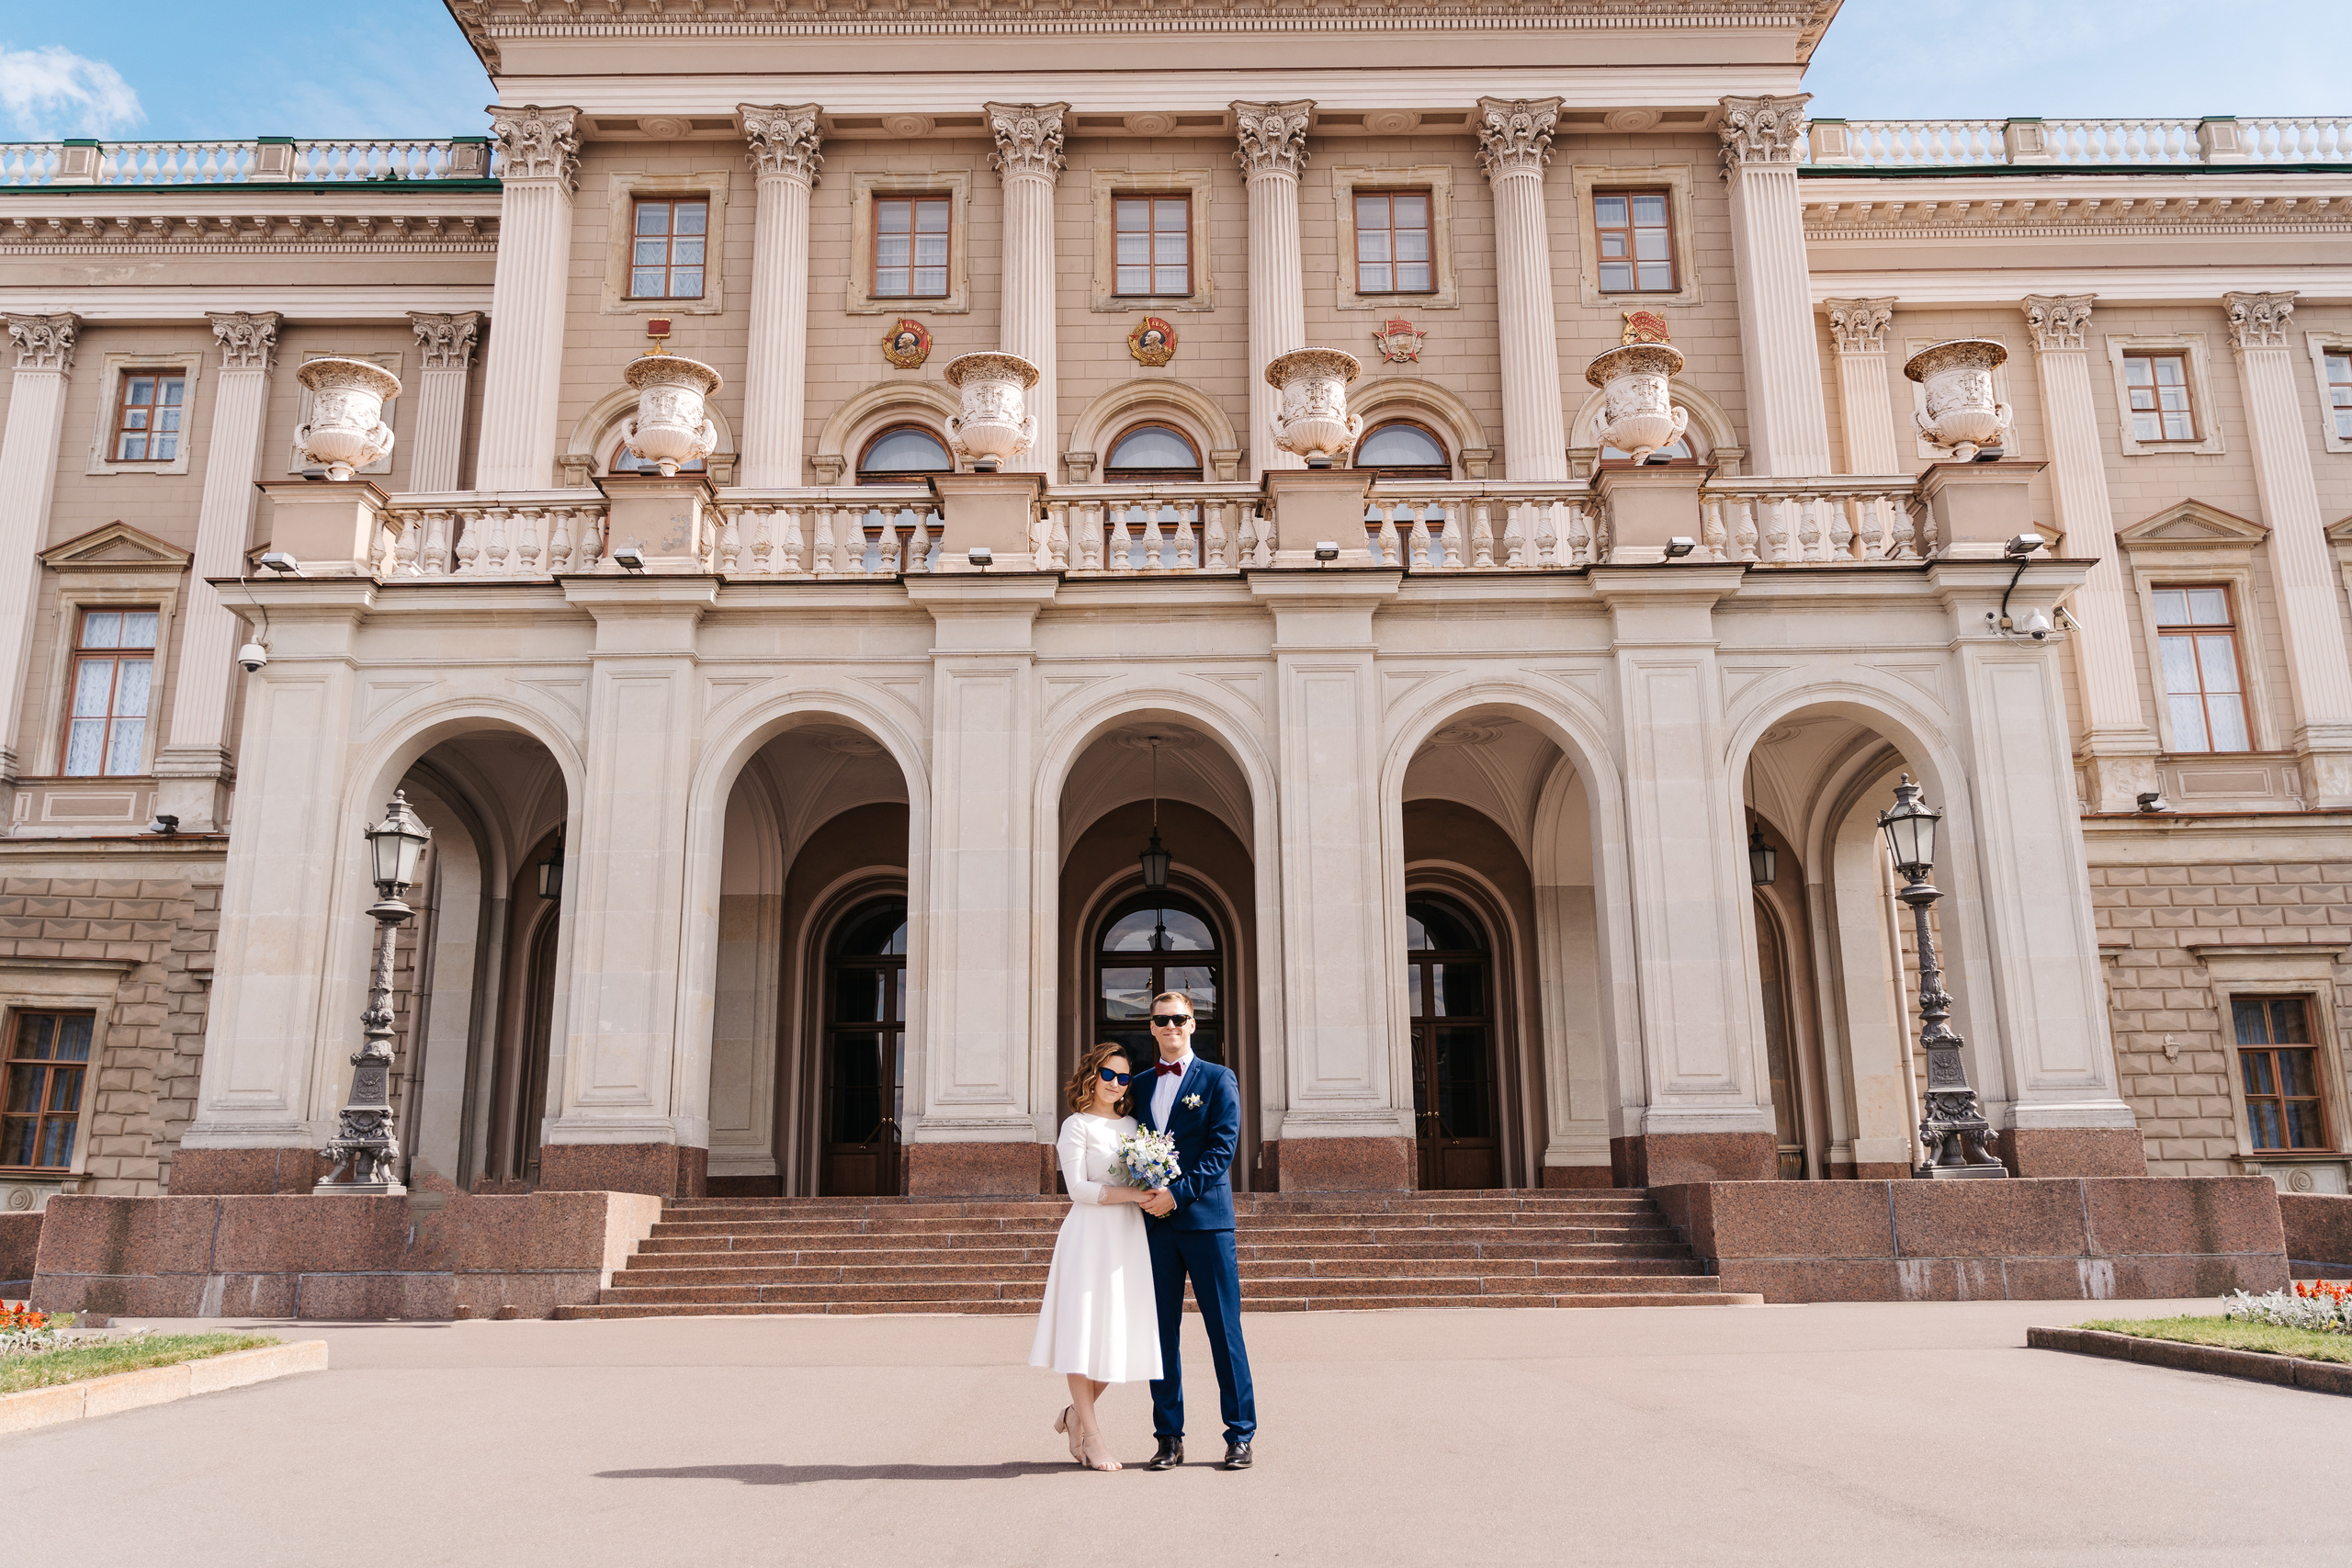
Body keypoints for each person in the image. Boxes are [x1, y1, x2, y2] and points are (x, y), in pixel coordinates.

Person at [1134, 990, 1256, 1472]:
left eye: (1179, 1019)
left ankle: (1240, 1435)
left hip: (1206, 1224)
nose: (1171, 1027)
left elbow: (1222, 1150)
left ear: (1193, 1024)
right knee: (1160, 1335)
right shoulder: (1140, 1085)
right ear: (1151, 1027)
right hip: (1155, 1228)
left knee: (1224, 1332)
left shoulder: (1219, 1079)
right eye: (1162, 1020)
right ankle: (1168, 1437)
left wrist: (1177, 1193)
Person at [1028, 1042, 1161, 1471]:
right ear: (1092, 1074)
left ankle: (1073, 1416)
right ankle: (1093, 1437)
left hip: (1127, 1236)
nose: (1116, 1084)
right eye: (1109, 1074)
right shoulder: (1076, 1125)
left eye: (1124, 1078)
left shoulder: (1135, 1126)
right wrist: (1134, 1194)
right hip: (1088, 1235)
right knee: (1084, 1334)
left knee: (1119, 1336)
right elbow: (1078, 1190)